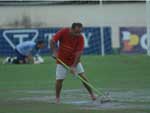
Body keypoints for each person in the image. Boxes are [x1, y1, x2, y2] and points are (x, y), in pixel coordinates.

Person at [50, 22, 96, 104]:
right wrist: (54, 52)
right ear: (71, 29)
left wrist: (74, 66)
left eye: (80, 32)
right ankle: (57, 98)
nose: (78, 34)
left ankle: (92, 95)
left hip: (74, 60)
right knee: (59, 80)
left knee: (83, 77)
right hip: (62, 60)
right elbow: (52, 41)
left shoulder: (80, 38)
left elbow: (79, 53)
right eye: (76, 32)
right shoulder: (63, 31)